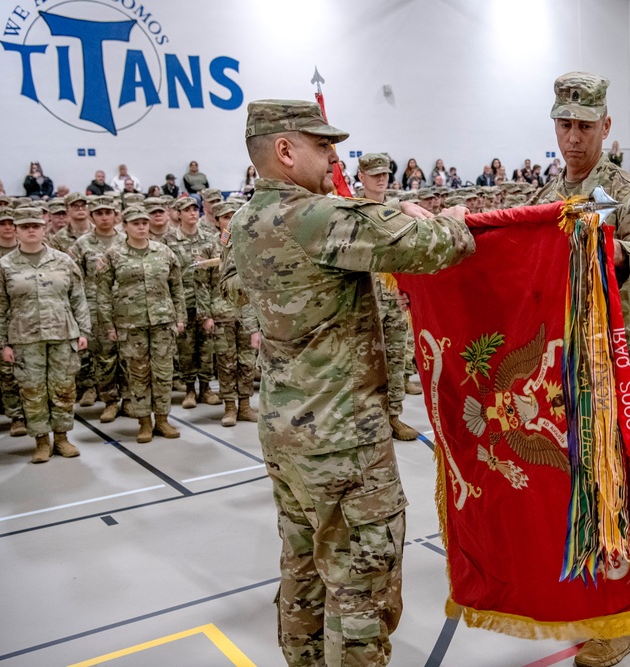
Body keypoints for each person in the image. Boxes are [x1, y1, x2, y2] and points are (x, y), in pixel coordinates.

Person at [230, 99, 475, 666]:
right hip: (342, 441)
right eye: (321, 144)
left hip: (286, 434)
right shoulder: (310, 216)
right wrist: (450, 219)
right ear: (284, 151)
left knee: (304, 568)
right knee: (361, 581)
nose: (334, 155)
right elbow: (434, 247)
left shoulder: (245, 221)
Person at [528, 73, 630, 667]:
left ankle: (624, 620)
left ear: (606, 127)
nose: (573, 137)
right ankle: (597, 605)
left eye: (585, 126)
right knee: (580, 495)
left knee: (622, 495)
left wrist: (615, 253)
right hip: (561, 374)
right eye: (564, 124)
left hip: (613, 373)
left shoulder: (619, 190)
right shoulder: (548, 187)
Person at [0, 207, 90, 463]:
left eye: (35, 225)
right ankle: (41, 441)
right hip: (24, 339)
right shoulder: (5, 266)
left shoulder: (63, 261)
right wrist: (1, 343)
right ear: (17, 231)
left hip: (62, 335)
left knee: (64, 389)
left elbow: (78, 297)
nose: (30, 230)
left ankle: (63, 439)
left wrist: (83, 330)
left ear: (44, 228)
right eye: (24, 227)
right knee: (32, 392)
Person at [98, 208, 185, 442]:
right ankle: (144, 422)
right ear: (124, 225)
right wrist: (109, 325)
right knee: (138, 375)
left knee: (164, 373)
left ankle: (163, 420)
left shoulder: (164, 252)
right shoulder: (113, 255)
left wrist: (179, 318)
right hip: (130, 324)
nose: (141, 227)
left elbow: (177, 287)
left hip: (162, 322)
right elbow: (103, 293)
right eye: (135, 223)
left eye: (144, 222)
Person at [69, 196, 128, 422]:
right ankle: (110, 401)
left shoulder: (126, 239)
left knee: (130, 356)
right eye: (99, 213)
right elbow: (75, 279)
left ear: (116, 216)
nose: (104, 217)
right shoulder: (82, 244)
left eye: (108, 213)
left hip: (126, 306)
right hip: (95, 308)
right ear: (93, 217)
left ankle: (131, 399)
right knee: (104, 357)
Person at [205, 200, 258, 427]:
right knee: (226, 361)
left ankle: (245, 405)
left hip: (247, 310)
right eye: (226, 217)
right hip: (222, 311)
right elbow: (203, 285)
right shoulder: (209, 246)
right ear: (217, 222)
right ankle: (229, 407)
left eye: (234, 215)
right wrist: (206, 314)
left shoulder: (252, 241)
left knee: (247, 361)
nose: (230, 220)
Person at [164, 196, 219, 408]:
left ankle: (205, 388)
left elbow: (215, 272)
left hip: (204, 300)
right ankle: (189, 390)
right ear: (178, 214)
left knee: (206, 347)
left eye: (195, 209)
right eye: (187, 210)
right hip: (183, 301)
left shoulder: (209, 237)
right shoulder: (169, 241)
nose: (192, 213)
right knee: (186, 349)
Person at [0, 207, 27, 436]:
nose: (8, 227)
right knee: (7, 371)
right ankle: (17, 417)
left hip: (29, 319)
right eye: (3, 223)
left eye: (12, 222)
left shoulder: (34, 251)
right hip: (1, 319)